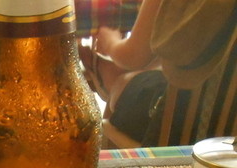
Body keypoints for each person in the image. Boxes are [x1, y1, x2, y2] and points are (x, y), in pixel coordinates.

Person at [81, 0, 237, 145]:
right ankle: (110, 73)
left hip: (175, 126)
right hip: (228, 136)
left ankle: (105, 72)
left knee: (123, 80)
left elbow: (133, 56)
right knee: (141, 72)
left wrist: (109, 42)